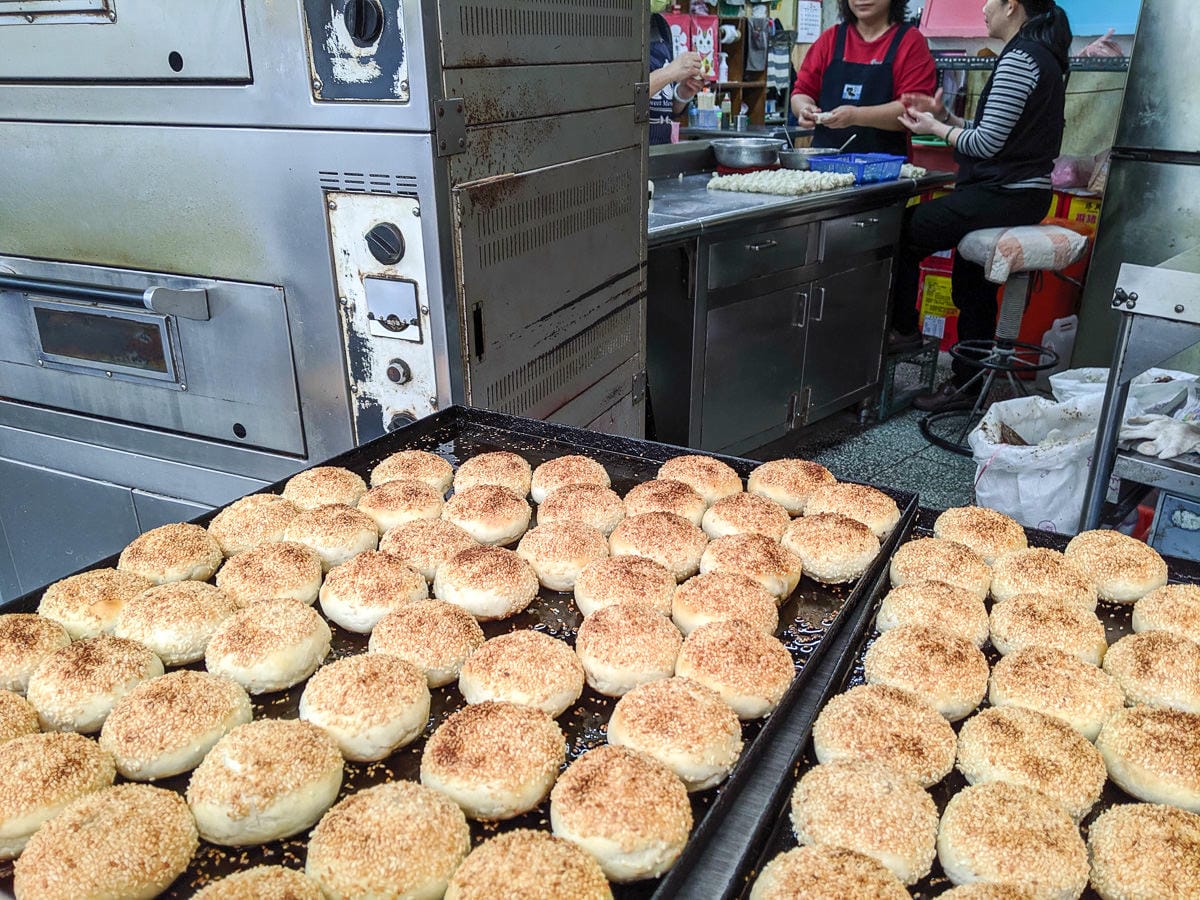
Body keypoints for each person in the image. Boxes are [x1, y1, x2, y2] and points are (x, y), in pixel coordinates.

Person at [890, 0, 1072, 412]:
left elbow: (986, 145)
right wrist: (946, 116)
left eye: (990, 1)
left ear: (1011, 6)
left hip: (1005, 193)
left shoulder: (1019, 59)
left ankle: (903, 329)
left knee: (903, 230)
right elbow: (993, 134)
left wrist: (935, 128)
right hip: (1022, 194)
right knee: (972, 281)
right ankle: (968, 382)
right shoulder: (1040, 55)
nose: (983, 8)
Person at [790, 0, 935, 155]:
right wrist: (804, 109)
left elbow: (913, 110)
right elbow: (801, 93)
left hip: (888, 170)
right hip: (824, 168)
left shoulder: (910, 42)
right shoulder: (830, 39)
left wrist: (855, 116)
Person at [649, 13, 706, 146]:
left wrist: (682, 93)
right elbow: (622, 97)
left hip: (661, 148)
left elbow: (669, 109)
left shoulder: (659, 23)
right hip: (630, 151)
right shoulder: (620, 25)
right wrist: (670, 72)